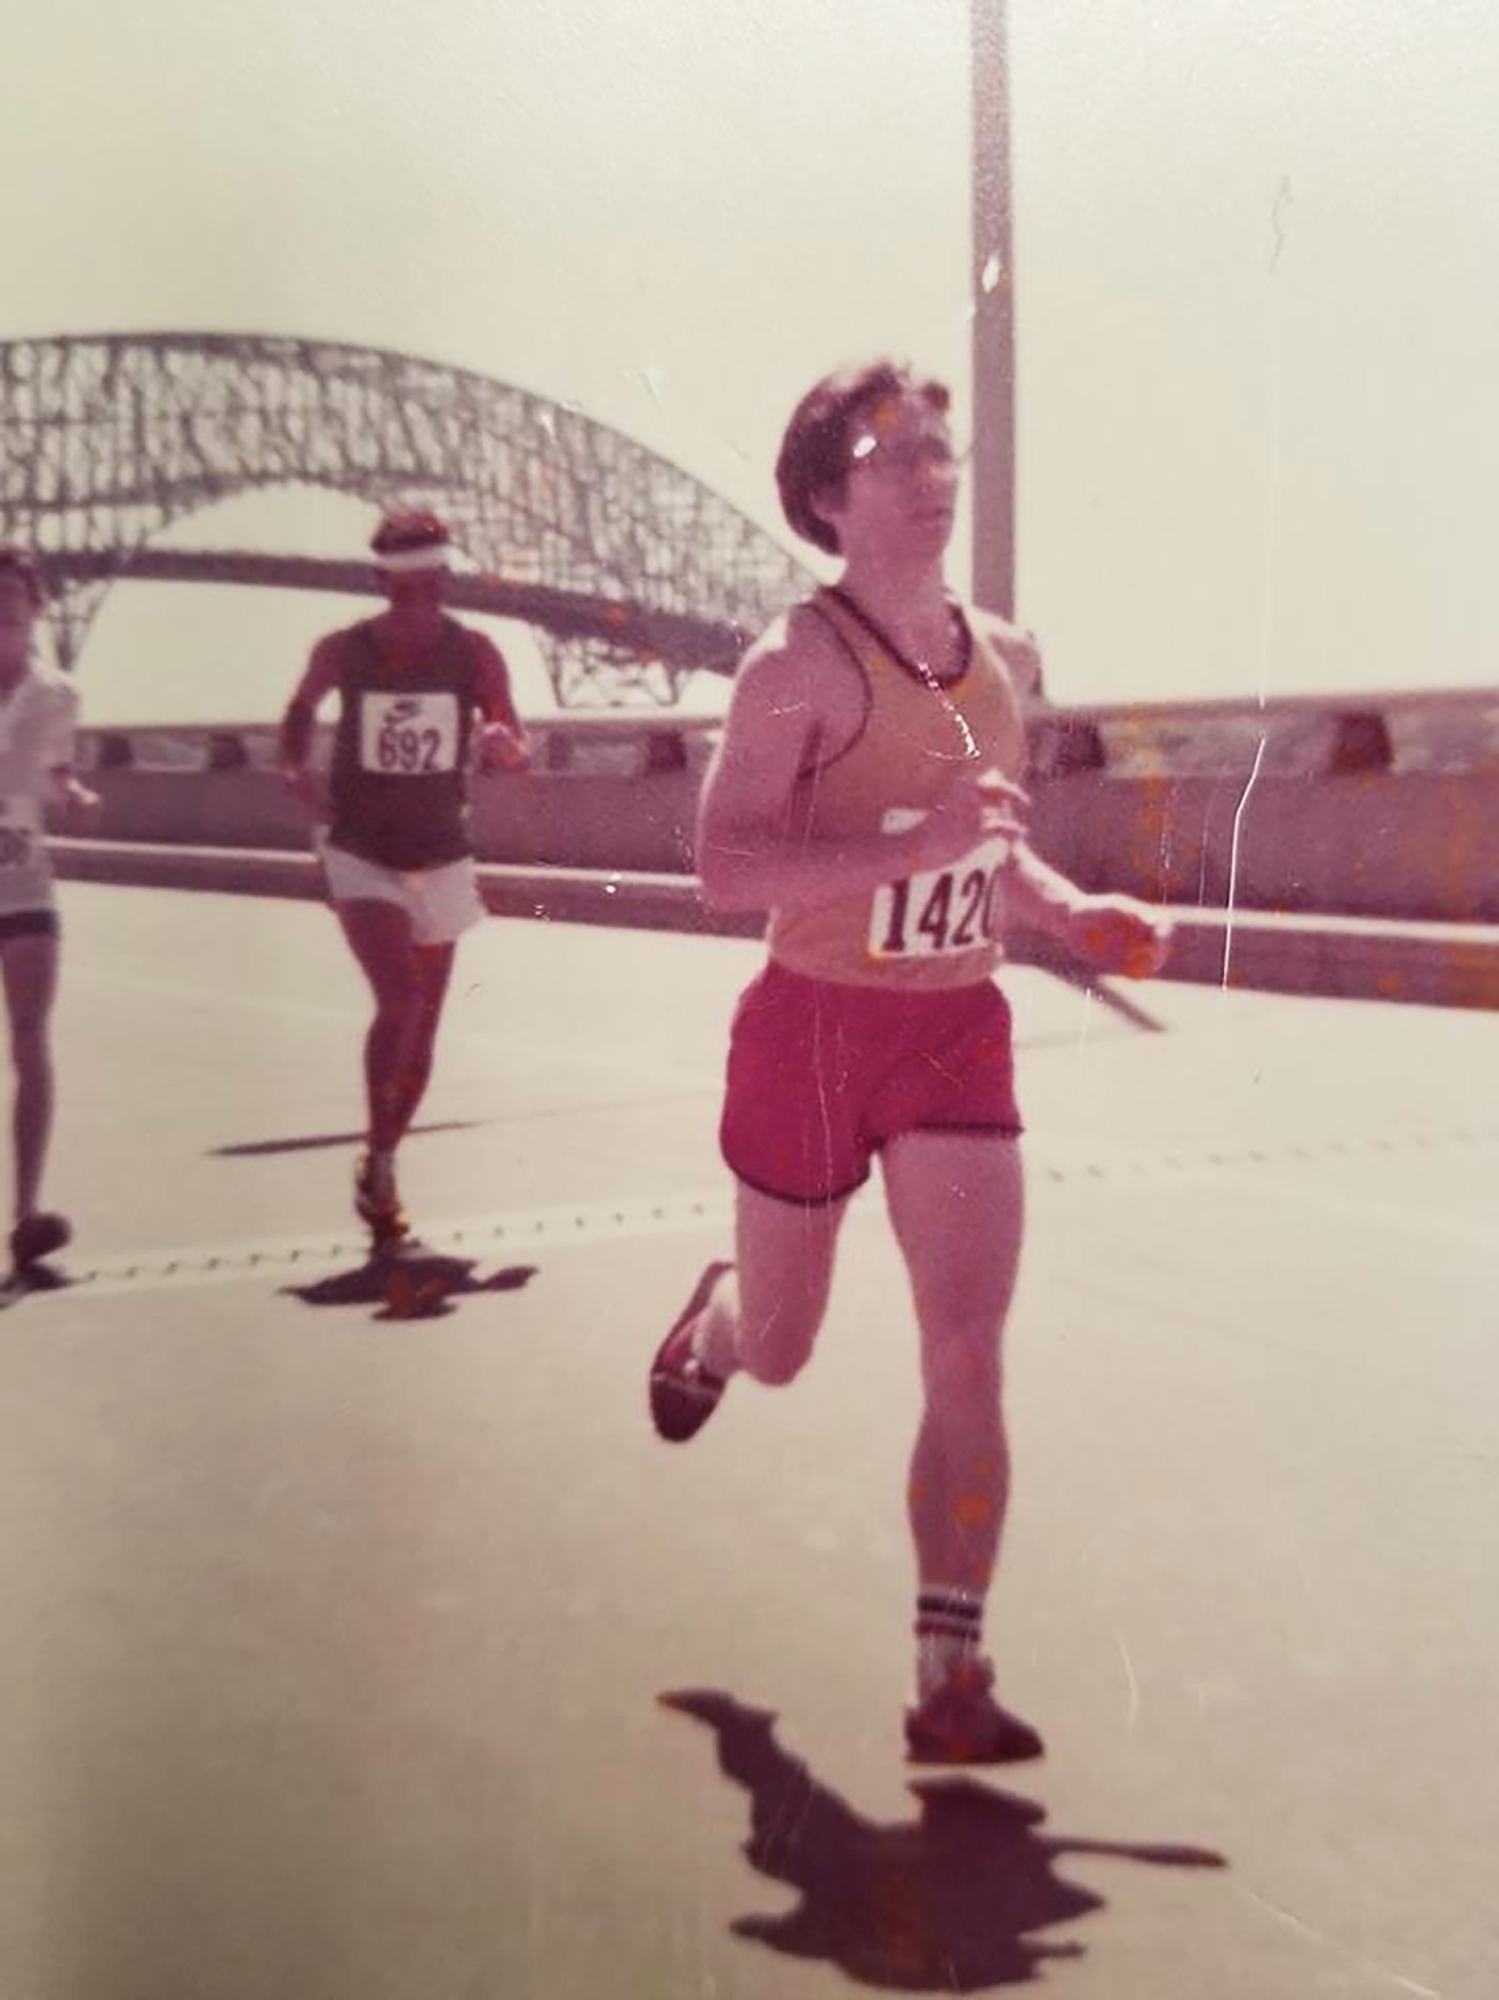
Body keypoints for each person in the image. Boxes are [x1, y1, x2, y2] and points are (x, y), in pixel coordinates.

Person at [648, 362, 1171, 1764]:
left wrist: (1068, 914)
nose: (931, 474)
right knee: (781, 1348)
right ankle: (715, 1319)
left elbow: (982, 844)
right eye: (894, 457)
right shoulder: (792, 665)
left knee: (965, 1346)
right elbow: (720, 869)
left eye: (940, 450)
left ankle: (949, 1670)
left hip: (949, 1027)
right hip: (811, 1029)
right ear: (827, 494)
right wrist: (904, 850)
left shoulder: (1004, 651)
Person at [277, 509, 529, 1249]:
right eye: (405, 584)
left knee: (423, 1027)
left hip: (442, 851)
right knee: (400, 998)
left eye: (431, 582)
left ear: (445, 578)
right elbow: (298, 712)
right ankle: (383, 1164)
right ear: (380, 581)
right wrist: (294, 768)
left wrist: (504, 747)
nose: (419, 596)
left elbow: (511, 738)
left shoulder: (477, 654)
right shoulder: (342, 650)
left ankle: (381, 1156)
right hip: (360, 848)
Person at [0, 547, 99, 1271]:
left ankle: (26, 1215)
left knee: (30, 1040)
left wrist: (77, 794)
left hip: (24, 884)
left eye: (15, 595)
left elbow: (54, 769)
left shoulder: (59, 693)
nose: (4, 606)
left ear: (36, 607)